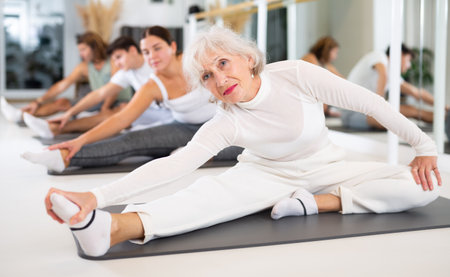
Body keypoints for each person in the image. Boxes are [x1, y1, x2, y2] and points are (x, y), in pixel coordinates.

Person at [43, 26, 441, 257]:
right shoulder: (225, 121)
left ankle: (317, 204)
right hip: (265, 174)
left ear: (247, 59)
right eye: (207, 77)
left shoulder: (297, 75)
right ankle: (110, 228)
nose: (219, 80)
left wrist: (423, 147)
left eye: (222, 64)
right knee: (202, 196)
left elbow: (369, 101)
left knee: (423, 188)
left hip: (330, 167)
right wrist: (96, 197)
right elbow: (174, 165)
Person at [22, 26, 241, 172]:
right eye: (146, 52)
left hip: (223, 123)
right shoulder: (152, 86)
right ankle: (63, 158)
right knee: (130, 140)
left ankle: (199, 154)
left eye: (157, 49)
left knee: (250, 142)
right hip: (182, 128)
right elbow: (121, 120)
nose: (152, 57)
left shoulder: (195, 60)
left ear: (172, 47)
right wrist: (80, 140)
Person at [21, 36, 171, 139]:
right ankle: (53, 128)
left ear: (132, 50)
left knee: (120, 110)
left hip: (169, 113)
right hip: (150, 111)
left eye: (119, 57)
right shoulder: (127, 72)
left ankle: (53, 128)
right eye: (114, 59)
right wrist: (70, 112)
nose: (117, 63)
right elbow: (99, 93)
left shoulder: (154, 63)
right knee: (117, 111)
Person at [0, 32, 132, 123]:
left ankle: (62, 125)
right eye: (79, 50)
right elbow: (62, 85)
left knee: (108, 113)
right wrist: (38, 101)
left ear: (94, 47)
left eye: (83, 49)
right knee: (62, 103)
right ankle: (20, 115)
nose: (81, 54)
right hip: (97, 100)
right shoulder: (84, 66)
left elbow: (114, 89)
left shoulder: (114, 61)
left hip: (118, 100)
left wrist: (104, 109)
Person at [341, 44, 439, 131]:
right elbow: (383, 75)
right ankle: (443, 118)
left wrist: (442, 106)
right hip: (352, 113)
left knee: (412, 110)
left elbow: (415, 92)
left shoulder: (391, 72)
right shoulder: (379, 56)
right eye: (408, 60)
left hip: (366, 111)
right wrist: (379, 107)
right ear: (400, 54)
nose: (409, 66)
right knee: (406, 113)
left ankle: (444, 118)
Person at [301, 36, 342, 117]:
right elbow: (315, 85)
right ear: (327, 50)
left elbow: (342, 80)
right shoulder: (310, 58)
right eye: (335, 52)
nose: (335, 57)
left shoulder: (325, 64)